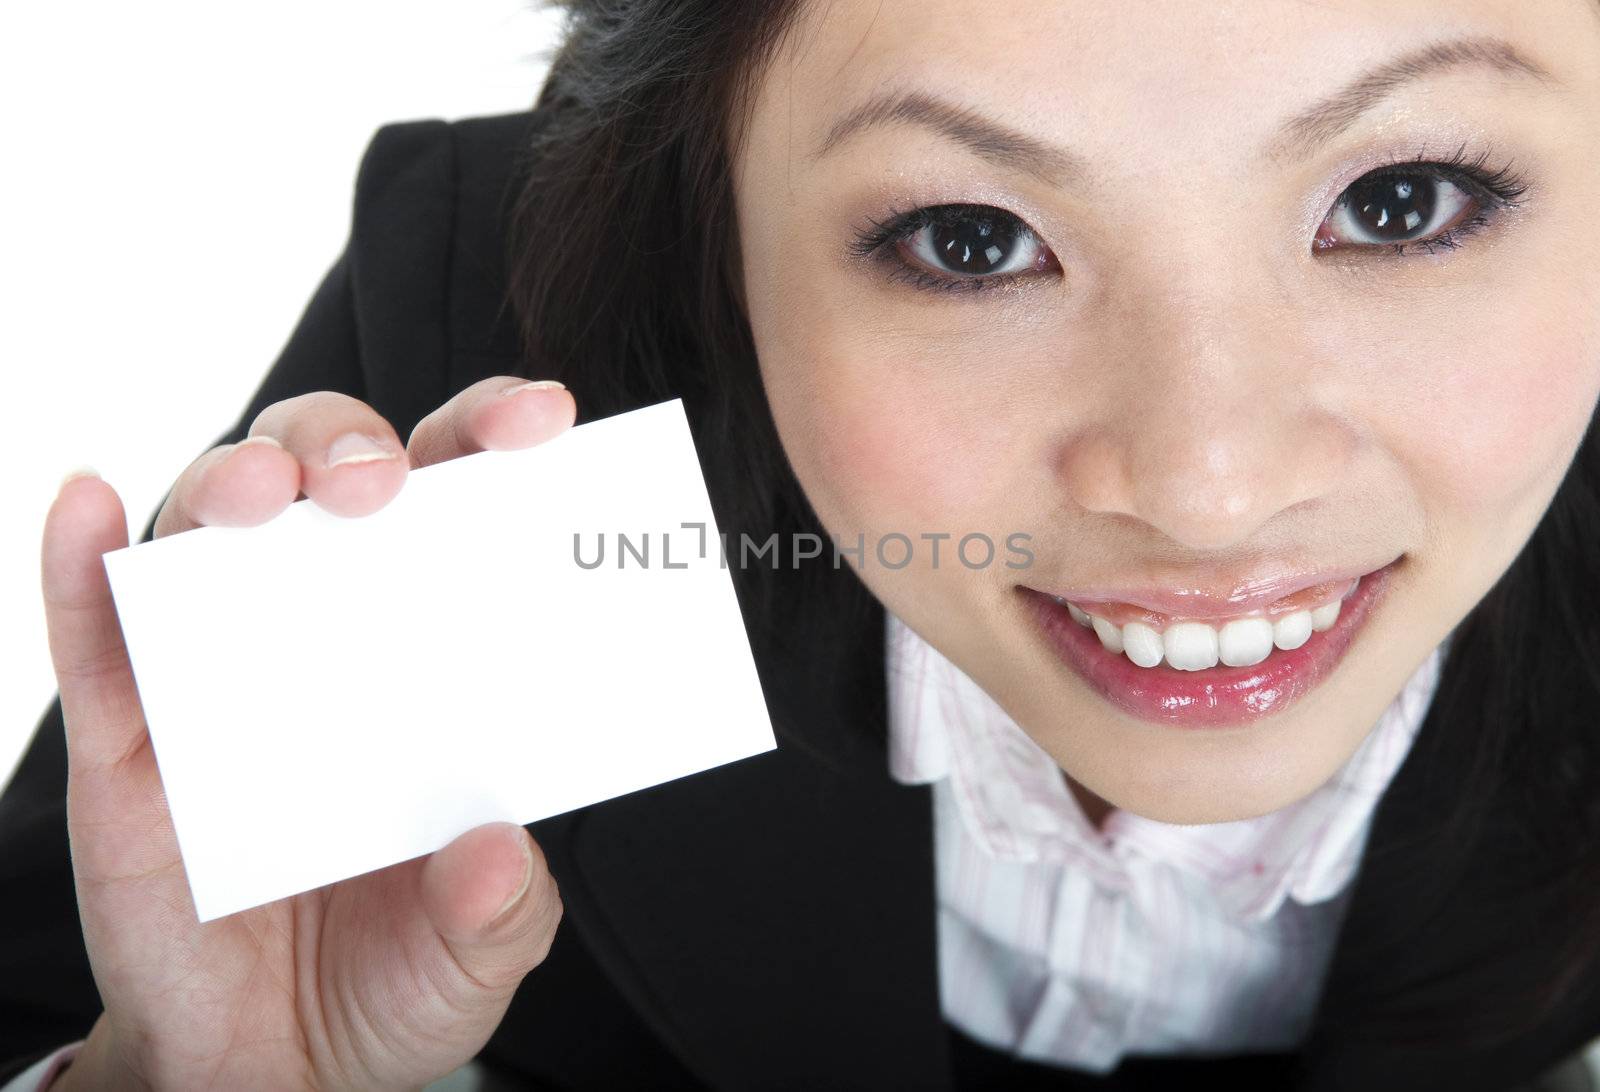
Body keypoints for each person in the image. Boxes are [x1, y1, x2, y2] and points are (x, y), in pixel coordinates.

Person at [5, 0, 1600, 1088]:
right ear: (713, 212)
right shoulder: (494, 374)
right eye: (972, 241)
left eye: (1405, 201)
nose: (1204, 490)